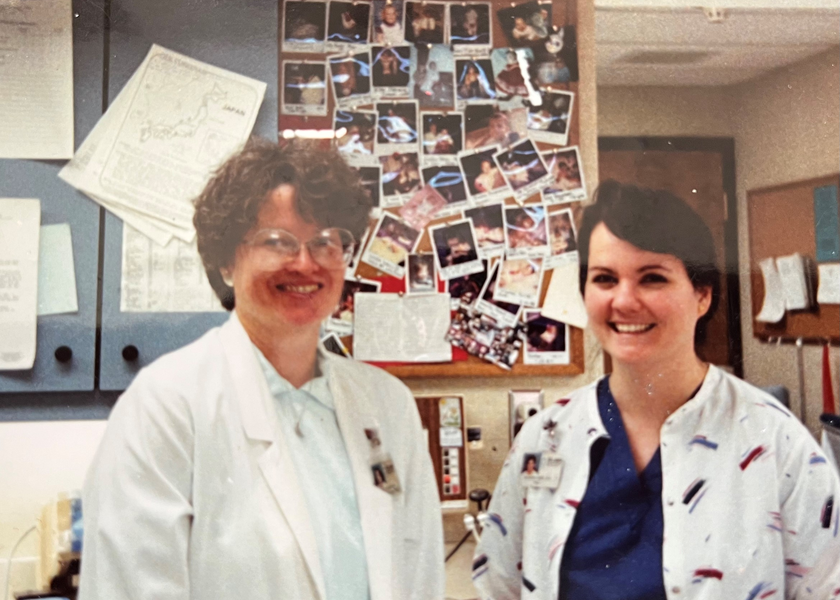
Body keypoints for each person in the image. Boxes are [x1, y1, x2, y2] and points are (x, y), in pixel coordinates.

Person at [80, 139, 445, 600]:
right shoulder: (166, 405)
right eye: (277, 241)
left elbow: (420, 576)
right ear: (226, 261)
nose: (305, 263)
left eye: (325, 242)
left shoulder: (388, 404)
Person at [473, 181, 840, 599]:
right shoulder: (543, 438)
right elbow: (499, 585)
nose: (624, 300)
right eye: (604, 278)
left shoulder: (776, 442)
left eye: (652, 278)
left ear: (702, 296)